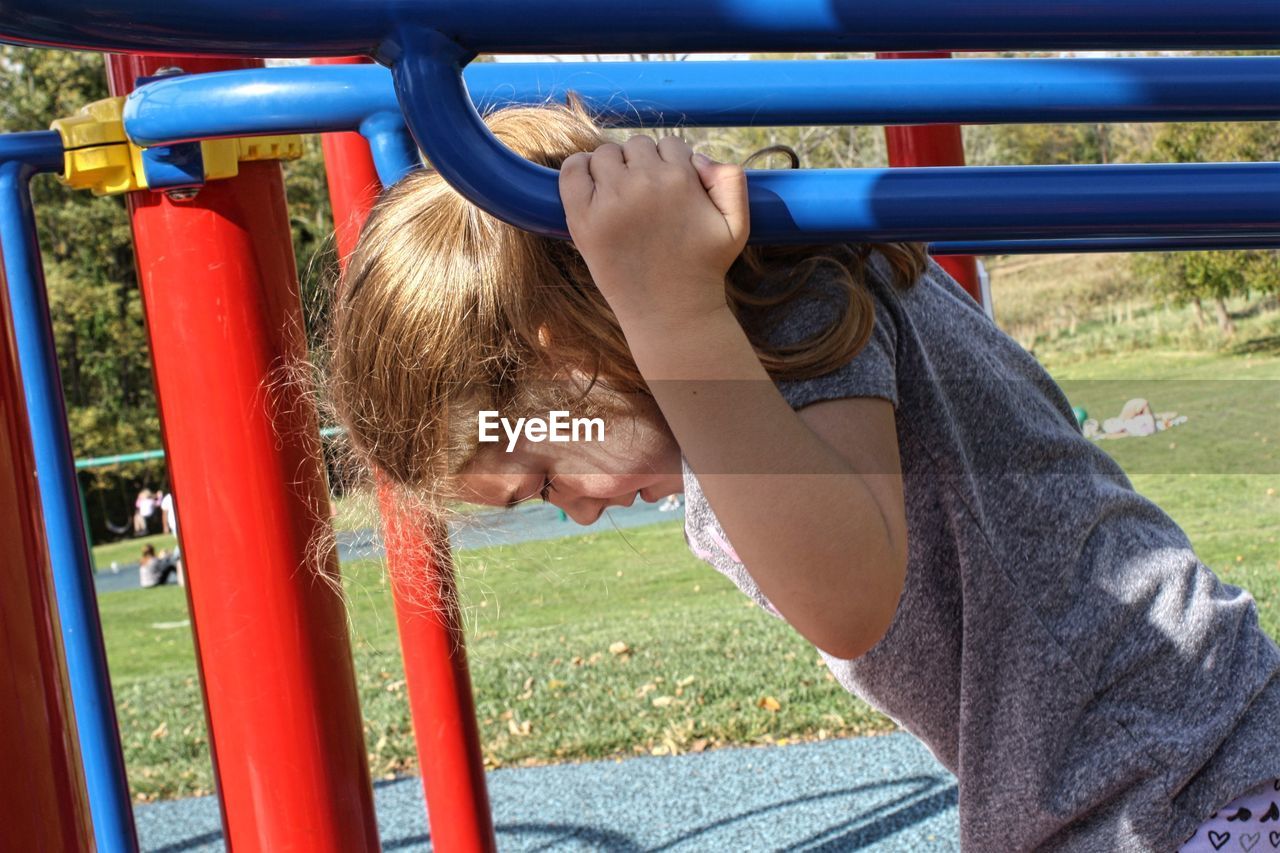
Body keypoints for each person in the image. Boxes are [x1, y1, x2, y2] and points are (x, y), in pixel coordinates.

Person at [324, 102, 1280, 851]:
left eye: (539, 476)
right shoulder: (730, 395)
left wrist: (672, 312)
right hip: (1122, 790)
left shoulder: (784, 308)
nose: (574, 512)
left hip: (1183, 774)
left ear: (564, 345)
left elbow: (852, 592)